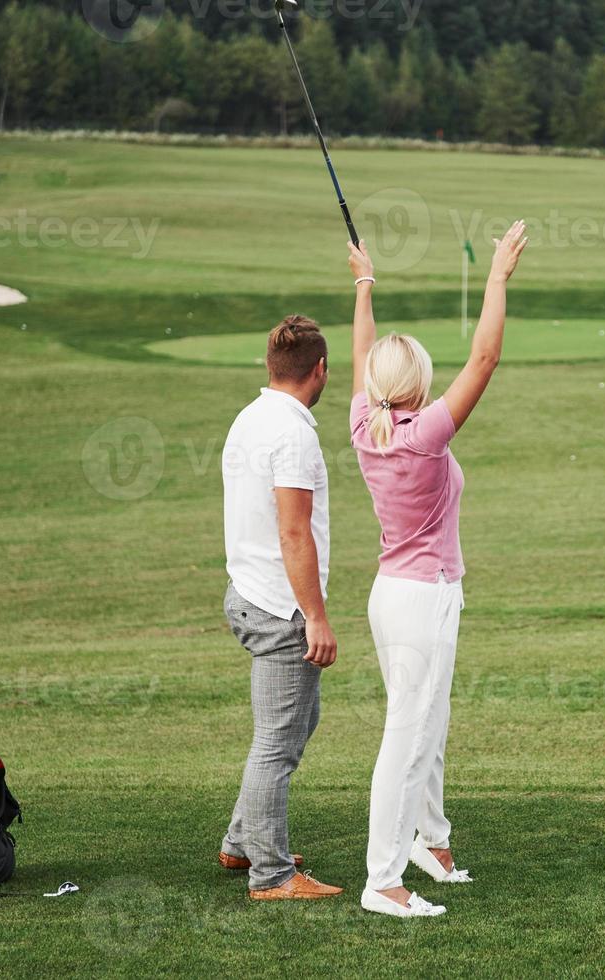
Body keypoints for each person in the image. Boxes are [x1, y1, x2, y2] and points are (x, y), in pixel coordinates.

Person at [346, 220, 530, 917]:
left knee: (431, 720)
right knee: (408, 733)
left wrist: (365, 285)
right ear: (418, 385)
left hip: (395, 596)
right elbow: (482, 360)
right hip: (420, 602)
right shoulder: (422, 434)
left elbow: (365, 356)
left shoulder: (367, 423)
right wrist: (497, 275)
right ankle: (382, 881)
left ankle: (431, 840)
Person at [217, 316, 343, 901]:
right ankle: (271, 874)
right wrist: (314, 617)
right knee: (277, 741)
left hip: (247, 593)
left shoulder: (250, 417)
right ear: (319, 370)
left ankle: (245, 840)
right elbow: (295, 534)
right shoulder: (293, 434)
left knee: (293, 724)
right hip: (279, 607)